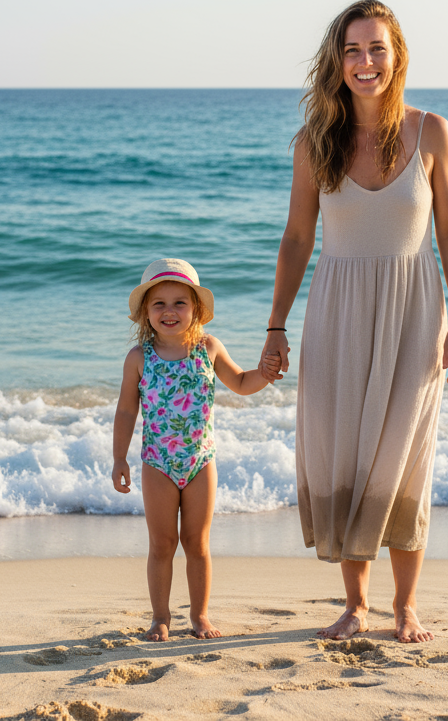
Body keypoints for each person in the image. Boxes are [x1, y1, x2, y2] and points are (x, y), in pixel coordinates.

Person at [260, 0, 448, 643]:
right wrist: (275, 327)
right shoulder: (313, 144)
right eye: (352, 50)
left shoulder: (431, 131)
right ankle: (357, 603)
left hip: (415, 308)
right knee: (345, 449)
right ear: (337, 60)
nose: (365, 62)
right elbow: (297, 239)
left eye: (376, 48)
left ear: (396, 55)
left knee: (406, 452)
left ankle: (406, 606)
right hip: (338, 310)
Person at [113, 258, 271, 641]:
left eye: (179, 302)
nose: (169, 311)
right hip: (157, 463)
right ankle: (160, 617)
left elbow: (242, 382)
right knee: (162, 543)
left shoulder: (208, 348)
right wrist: (119, 457)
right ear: (145, 313)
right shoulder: (139, 358)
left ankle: (200, 616)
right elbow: (126, 409)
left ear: (196, 309)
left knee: (197, 543)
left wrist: (265, 373)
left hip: (200, 461)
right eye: (159, 304)